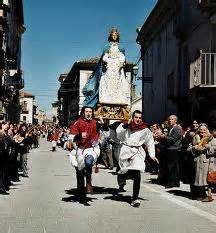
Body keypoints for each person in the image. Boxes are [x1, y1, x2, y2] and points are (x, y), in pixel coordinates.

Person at [115, 110, 158, 207]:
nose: (138, 119)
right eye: (136, 117)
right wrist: (126, 125)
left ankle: (135, 198)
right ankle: (122, 178)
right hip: (126, 150)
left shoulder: (145, 129)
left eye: (139, 117)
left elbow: (150, 142)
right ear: (132, 117)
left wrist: (152, 155)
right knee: (124, 171)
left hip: (138, 152)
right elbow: (119, 134)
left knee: (137, 174)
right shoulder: (126, 126)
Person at [82, 27, 130, 108]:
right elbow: (104, 57)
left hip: (118, 68)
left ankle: (118, 99)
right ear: (110, 36)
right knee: (106, 82)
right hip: (109, 67)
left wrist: (122, 63)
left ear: (117, 36)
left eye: (116, 35)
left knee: (118, 83)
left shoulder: (121, 47)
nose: (114, 36)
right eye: (113, 35)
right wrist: (106, 61)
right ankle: (106, 98)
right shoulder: (107, 46)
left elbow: (123, 57)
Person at [69, 106, 107, 200]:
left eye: (90, 111)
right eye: (86, 111)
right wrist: (79, 135)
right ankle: (80, 190)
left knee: (89, 162)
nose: (88, 113)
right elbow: (71, 138)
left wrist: (103, 123)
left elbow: (106, 131)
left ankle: (89, 182)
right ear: (83, 112)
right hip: (81, 149)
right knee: (80, 171)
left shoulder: (95, 122)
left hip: (92, 148)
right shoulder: (77, 122)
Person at [159, 115, 182, 188]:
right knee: (172, 167)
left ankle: (172, 183)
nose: (170, 120)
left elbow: (172, 139)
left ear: (175, 121)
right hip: (171, 149)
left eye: (172, 119)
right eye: (169, 119)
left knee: (172, 167)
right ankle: (174, 182)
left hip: (174, 149)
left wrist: (164, 136)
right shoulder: (171, 128)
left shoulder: (177, 128)